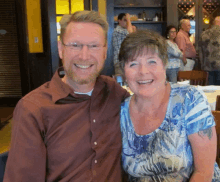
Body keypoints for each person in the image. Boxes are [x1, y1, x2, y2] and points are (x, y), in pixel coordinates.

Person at [3, 10, 129, 182]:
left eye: (93, 46)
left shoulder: (114, 92)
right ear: (61, 49)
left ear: (105, 52)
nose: (84, 56)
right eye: (75, 45)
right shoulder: (33, 109)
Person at [119, 29, 220, 181]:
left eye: (151, 61)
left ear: (164, 64)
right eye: (133, 64)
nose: (143, 71)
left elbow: (204, 173)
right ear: (124, 71)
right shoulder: (121, 111)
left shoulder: (189, 99)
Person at [199, 16, 220, 85]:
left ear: (214, 23)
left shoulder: (204, 34)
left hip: (207, 66)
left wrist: (202, 65)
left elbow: (200, 51)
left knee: (210, 89)